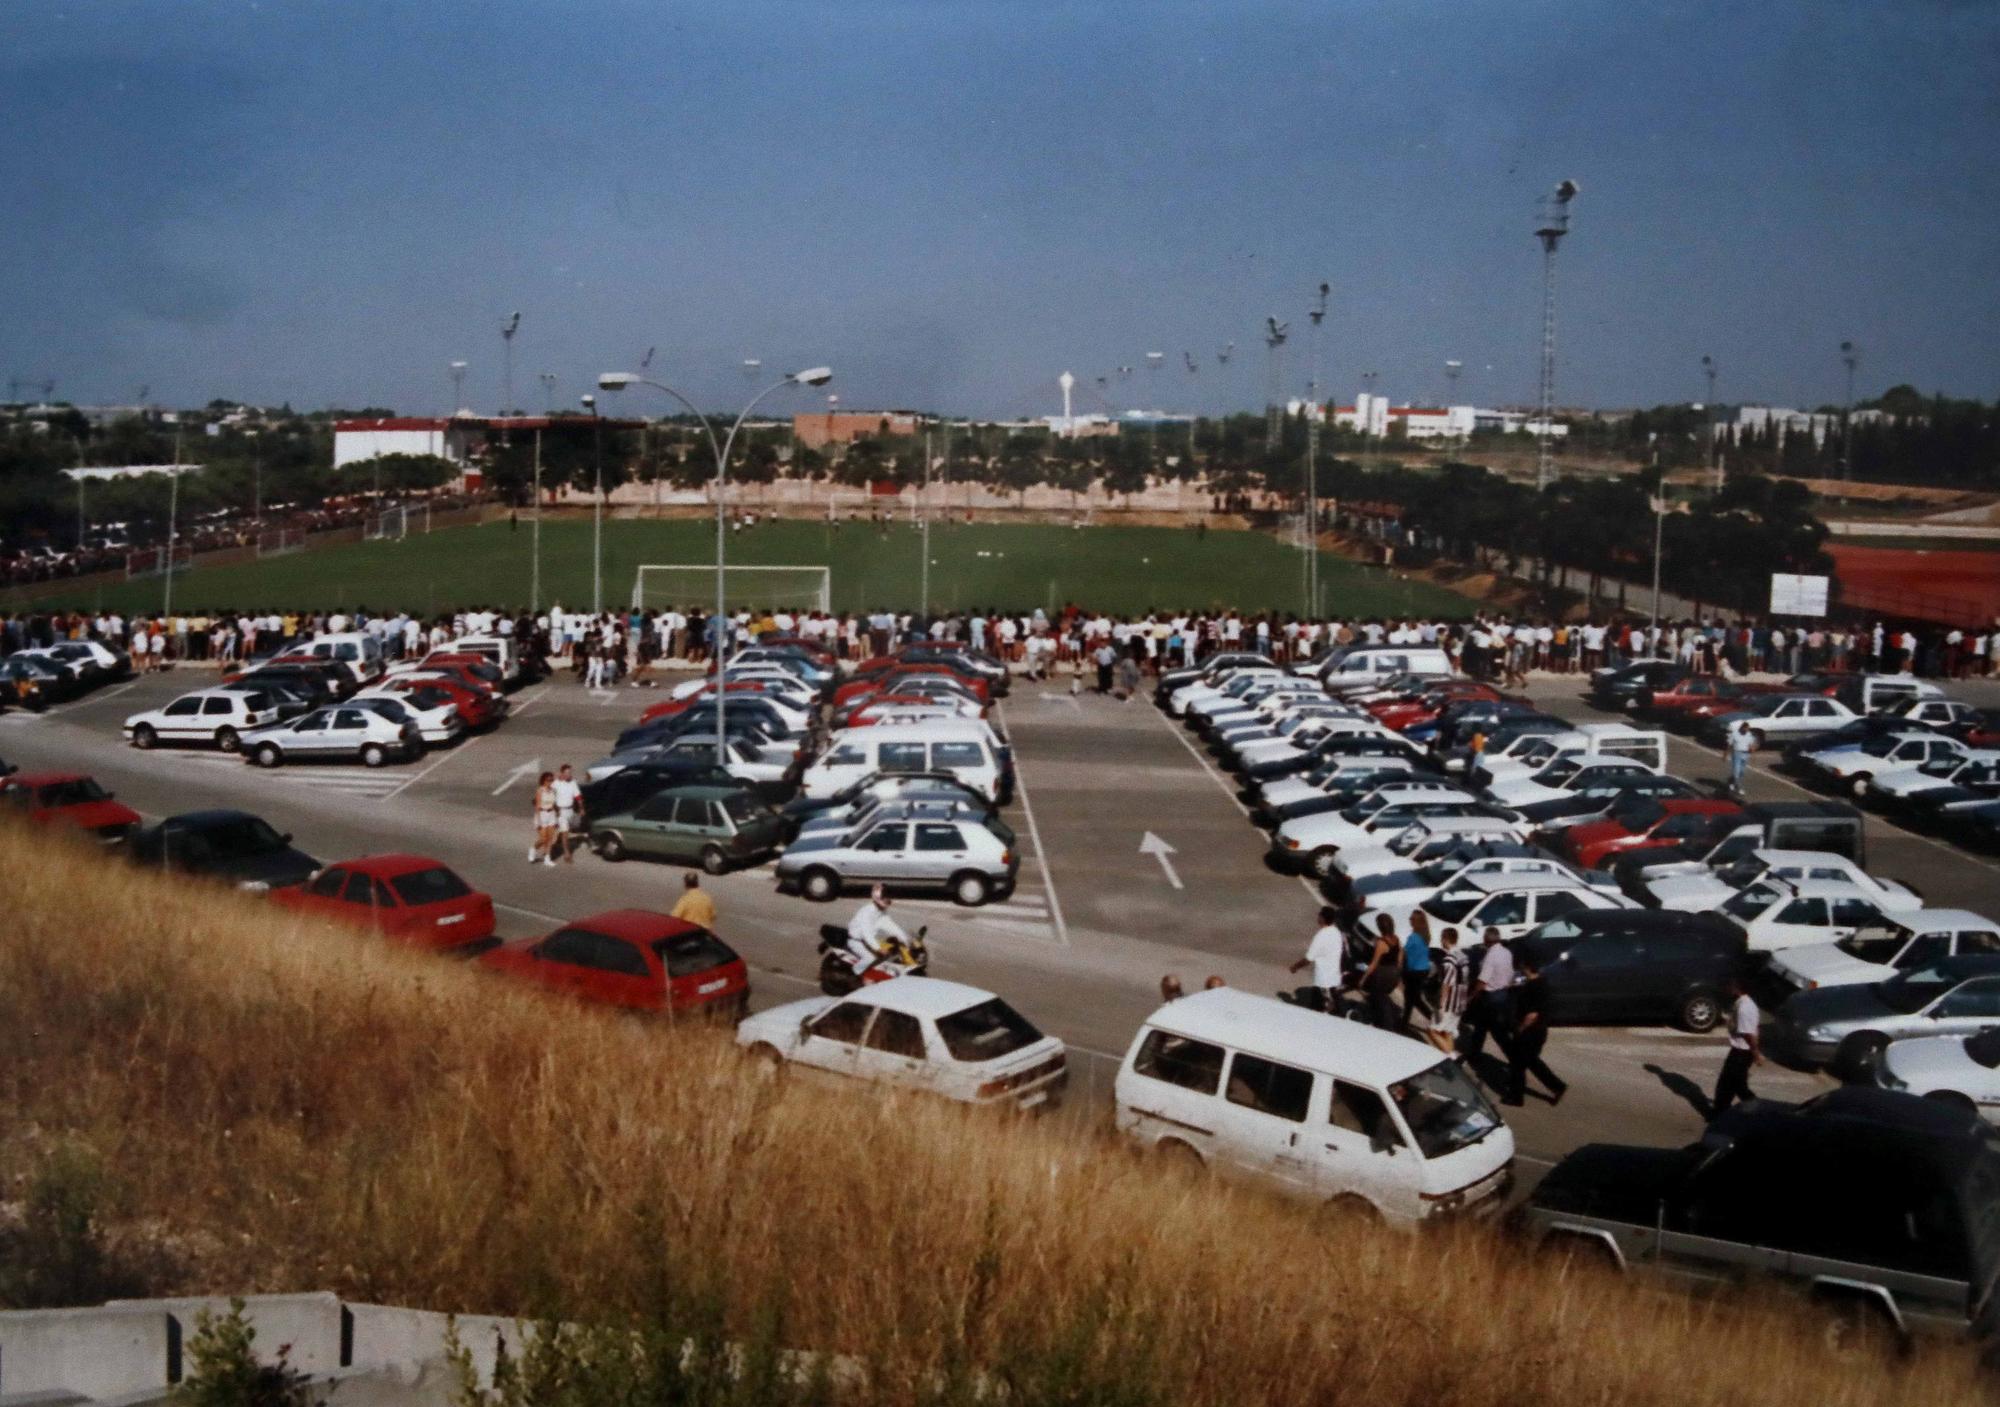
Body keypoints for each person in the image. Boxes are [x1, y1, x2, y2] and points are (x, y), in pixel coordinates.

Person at [1503, 954, 1566, 1106]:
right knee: (1532, 1062)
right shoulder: (1542, 983)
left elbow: (1532, 1014)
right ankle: (1557, 1086)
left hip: (1529, 1032)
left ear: (1527, 968)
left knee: (1518, 1065)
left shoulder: (1532, 987)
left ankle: (1516, 1097)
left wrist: (1520, 1028)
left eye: (1523, 966)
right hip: (1540, 1031)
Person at [1457, 926, 1516, 1063]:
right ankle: (1474, 1054)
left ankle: (1515, 1059)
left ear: (1486, 940)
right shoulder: (1506, 952)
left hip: (1491, 997)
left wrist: (1470, 997)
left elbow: (1482, 981)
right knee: (1480, 1027)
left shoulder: (1491, 956)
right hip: (1502, 994)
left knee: (1497, 1033)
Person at [1712, 975, 1761, 1117]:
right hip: (1740, 1052)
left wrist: (1756, 1053)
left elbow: (1748, 1034)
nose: (1728, 987)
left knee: (1731, 1085)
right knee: (1731, 1085)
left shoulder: (1744, 1008)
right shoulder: (1743, 1003)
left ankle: (1753, 1108)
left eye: (1731, 985)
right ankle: (1720, 1112)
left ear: (1737, 988)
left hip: (1741, 1053)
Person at [1288, 906, 1349, 1012]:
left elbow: (1308, 958)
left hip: (1322, 981)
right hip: (1334, 979)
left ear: (1322, 918)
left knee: (1317, 1010)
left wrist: (1295, 967)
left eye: (1319, 915)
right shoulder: (1337, 933)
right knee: (1334, 1010)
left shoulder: (1321, 936)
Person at [845, 885, 908, 974]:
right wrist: (878, 948)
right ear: (878, 898)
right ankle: (855, 974)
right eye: (886, 897)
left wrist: (904, 939)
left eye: (889, 897)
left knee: (890, 951)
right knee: (870, 958)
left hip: (868, 942)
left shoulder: (880, 912)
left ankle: (875, 974)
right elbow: (867, 933)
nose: (889, 900)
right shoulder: (867, 912)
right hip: (856, 941)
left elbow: (892, 926)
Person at [1426, 927, 1469, 1056]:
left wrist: (1441, 1003)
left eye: (1441, 938)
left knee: (1432, 1030)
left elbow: (1446, 984)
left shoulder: (1449, 961)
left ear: (1445, 939)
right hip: (1460, 1001)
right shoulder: (1463, 956)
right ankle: (1449, 1061)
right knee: (1447, 1032)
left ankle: (1451, 1056)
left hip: (1449, 1003)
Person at [1357, 914, 1402, 1030]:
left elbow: (1374, 963)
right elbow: (1399, 959)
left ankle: (1386, 1024)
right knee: (1381, 996)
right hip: (1394, 973)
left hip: (1382, 974)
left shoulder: (1381, 943)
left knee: (1378, 997)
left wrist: (1363, 979)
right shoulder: (1396, 939)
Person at [1401, 911, 1434, 1031]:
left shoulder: (1413, 937)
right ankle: (1404, 1022)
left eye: (1412, 919)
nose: (1409, 920)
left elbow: (1403, 952)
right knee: (1411, 997)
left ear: (1416, 922)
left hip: (1413, 972)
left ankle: (1433, 1018)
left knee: (1414, 999)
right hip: (1423, 970)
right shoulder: (1425, 935)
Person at [549, 764, 583, 864]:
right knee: (565, 833)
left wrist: (581, 808)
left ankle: (557, 842)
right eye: (567, 773)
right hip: (561, 812)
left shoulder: (573, 782)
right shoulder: (556, 783)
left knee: (571, 828)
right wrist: (554, 807)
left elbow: (578, 797)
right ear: (562, 773)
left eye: (570, 772)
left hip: (570, 811)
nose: (569, 774)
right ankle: (567, 854)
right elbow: (549, 793)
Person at [529, 770, 557, 864]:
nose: (550, 782)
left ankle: (547, 858)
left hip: (551, 814)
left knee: (550, 838)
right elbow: (537, 807)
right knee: (543, 839)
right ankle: (533, 849)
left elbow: (554, 804)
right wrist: (539, 821)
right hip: (542, 814)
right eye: (548, 780)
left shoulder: (553, 790)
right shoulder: (540, 791)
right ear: (543, 781)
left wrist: (556, 815)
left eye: (551, 780)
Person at [1726, 720, 1755, 799]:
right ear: (1742, 728)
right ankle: (1738, 788)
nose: (1747, 730)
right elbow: (1729, 744)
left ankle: (1731, 781)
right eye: (1746, 729)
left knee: (1742, 772)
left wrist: (1752, 749)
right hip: (1737, 753)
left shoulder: (1749, 734)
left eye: (1748, 729)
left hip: (1745, 754)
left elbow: (1751, 744)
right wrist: (1725, 754)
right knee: (1736, 771)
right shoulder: (1734, 734)